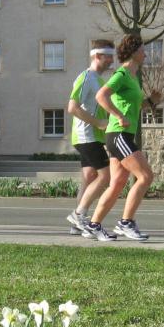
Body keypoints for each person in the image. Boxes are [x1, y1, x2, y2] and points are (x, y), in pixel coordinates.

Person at [81, 34, 160, 241]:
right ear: (133, 52)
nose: (145, 54)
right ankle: (126, 223)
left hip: (122, 135)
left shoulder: (133, 77)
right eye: (142, 50)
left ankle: (94, 225)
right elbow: (101, 95)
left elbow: (133, 106)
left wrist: (151, 101)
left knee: (117, 183)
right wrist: (118, 116)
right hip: (118, 135)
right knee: (145, 176)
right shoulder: (122, 74)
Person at [65, 40, 114, 233]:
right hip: (86, 135)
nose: (112, 60)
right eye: (108, 56)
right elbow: (72, 107)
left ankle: (76, 224)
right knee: (105, 177)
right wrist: (98, 123)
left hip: (93, 136)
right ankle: (79, 214)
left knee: (89, 177)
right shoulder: (85, 77)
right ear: (97, 56)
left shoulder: (100, 81)